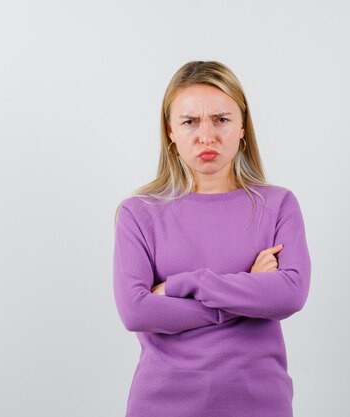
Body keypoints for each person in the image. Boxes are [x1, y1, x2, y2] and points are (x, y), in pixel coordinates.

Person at [112, 60, 312, 417]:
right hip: (161, 404)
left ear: (242, 128)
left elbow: (291, 294)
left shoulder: (278, 204)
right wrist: (250, 290)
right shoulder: (138, 213)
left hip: (259, 403)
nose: (207, 136)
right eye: (190, 121)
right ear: (170, 131)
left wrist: (180, 286)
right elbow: (135, 311)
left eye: (221, 119)